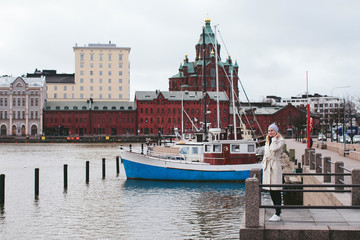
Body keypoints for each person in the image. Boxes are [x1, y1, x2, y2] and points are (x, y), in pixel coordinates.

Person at [261, 123, 285, 222]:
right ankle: (277, 210)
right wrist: (263, 164)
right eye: (269, 130)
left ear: (276, 131)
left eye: (272, 130)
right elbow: (266, 152)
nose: (270, 132)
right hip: (268, 166)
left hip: (275, 166)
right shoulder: (267, 140)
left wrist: (275, 138)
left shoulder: (281, 140)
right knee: (271, 190)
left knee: (276, 190)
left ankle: (277, 213)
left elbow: (274, 149)